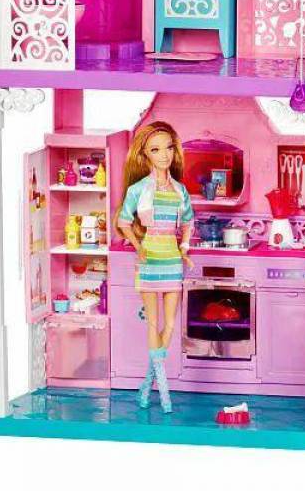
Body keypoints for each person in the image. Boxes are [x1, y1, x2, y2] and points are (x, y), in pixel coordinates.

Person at [114, 121, 194, 412]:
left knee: (170, 323)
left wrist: (184, 248)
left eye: (168, 148)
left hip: (172, 260)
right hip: (149, 261)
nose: (164, 155)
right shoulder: (138, 189)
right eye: (156, 150)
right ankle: (164, 392)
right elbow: (124, 221)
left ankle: (148, 385)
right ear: (145, 154)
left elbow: (188, 222)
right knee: (152, 322)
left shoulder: (180, 190)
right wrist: (138, 247)